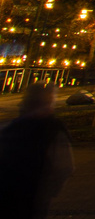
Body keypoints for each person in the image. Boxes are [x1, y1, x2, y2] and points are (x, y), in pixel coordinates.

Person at [0, 82, 73, 217]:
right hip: (31, 197)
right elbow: (64, 167)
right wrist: (48, 192)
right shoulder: (53, 129)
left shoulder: (12, 126)